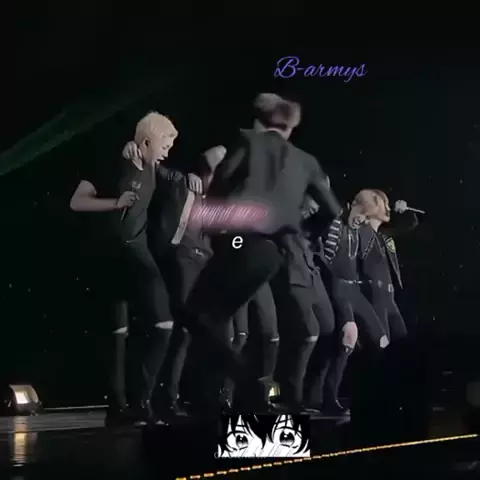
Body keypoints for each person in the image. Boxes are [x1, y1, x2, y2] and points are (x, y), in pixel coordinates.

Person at [184, 93, 342, 416]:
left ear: (262, 120)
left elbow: (221, 183)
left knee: (197, 315)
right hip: (273, 253)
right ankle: (219, 398)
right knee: (223, 318)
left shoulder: (248, 140)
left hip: (239, 241)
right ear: (290, 127)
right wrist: (302, 230)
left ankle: (244, 383)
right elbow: (332, 211)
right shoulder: (306, 160)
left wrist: (212, 225)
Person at [70, 112, 178, 427]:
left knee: (162, 322)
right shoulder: (115, 163)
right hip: (113, 253)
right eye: (164, 146)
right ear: (145, 142)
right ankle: (118, 407)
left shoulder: (155, 168)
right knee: (118, 331)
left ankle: (141, 401)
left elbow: (176, 178)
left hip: (137, 250)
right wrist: (115, 203)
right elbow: (77, 202)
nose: (167, 152)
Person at [121, 142, 226, 418]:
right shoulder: (180, 180)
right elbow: (154, 165)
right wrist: (134, 149)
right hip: (177, 257)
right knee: (171, 328)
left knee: (187, 333)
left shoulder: (220, 197)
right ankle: (152, 398)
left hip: (203, 261)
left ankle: (171, 396)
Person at [301, 195, 389, 417]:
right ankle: (327, 397)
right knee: (347, 336)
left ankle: (377, 393)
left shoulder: (357, 230)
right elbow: (324, 258)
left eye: (367, 217)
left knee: (382, 341)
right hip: (338, 287)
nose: (362, 220)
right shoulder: (335, 224)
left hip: (354, 289)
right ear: (351, 206)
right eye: (361, 214)